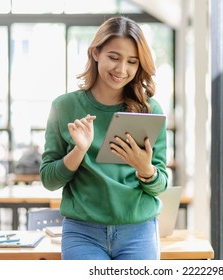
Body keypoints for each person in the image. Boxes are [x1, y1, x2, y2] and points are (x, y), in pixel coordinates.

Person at [40, 16, 168, 260]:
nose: (122, 70)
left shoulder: (149, 110)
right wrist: (78, 151)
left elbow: (160, 184)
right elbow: (49, 179)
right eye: (114, 57)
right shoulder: (64, 107)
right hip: (83, 233)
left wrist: (145, 169)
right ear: (95, 52)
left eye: (132, 61)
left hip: (138, 231)